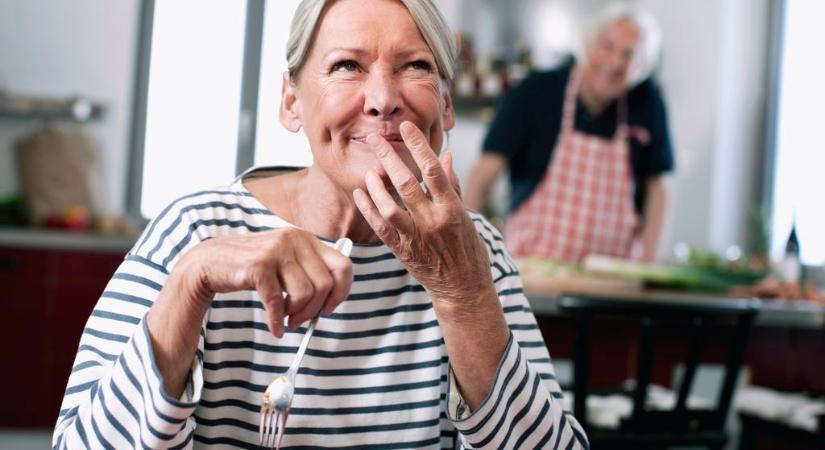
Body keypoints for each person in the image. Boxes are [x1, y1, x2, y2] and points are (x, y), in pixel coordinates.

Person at [53, 0, 587, 448]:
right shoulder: (194, 231)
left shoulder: (475, 251)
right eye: (347, 66)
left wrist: (462, 295)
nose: (383, 100)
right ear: (291, 102)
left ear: (445, 107)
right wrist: (189, 284)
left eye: (415, 67)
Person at [465, 3, 674, 263]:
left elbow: (657, 188)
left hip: (614, 275)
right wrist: (468, 255)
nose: (615, 63)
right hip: (531, 271)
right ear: (587, 44)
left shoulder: (647, 101)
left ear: (641, 67)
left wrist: (647, 261)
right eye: (607, 46)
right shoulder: (534, 91)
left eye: (628, 54)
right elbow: (483, 176)